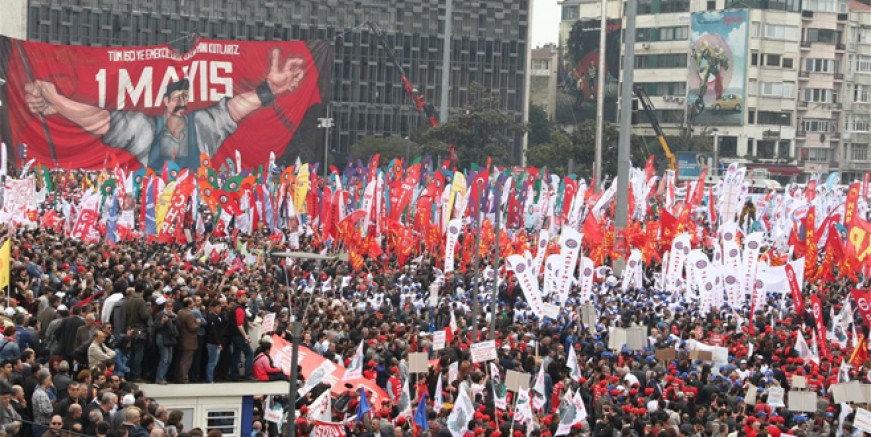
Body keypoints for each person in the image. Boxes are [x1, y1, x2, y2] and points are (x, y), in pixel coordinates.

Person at [23, 49, 307, 169]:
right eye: (176, 99)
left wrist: (269, 89)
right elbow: (100, 120)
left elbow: (233, 108)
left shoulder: (203, 126)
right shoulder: (145, 130)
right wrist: (59, 102)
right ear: (166, 103)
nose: (181, 105)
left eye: (186, 99)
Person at [229, 290, 254, 382]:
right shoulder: (239, 309)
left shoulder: (235, 307)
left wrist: (247, 324)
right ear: (238, 297)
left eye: (245, 296)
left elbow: (240, 322)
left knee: (236, 355)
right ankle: (248, 375)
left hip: (234, 335)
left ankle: (234, 375)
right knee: (250, 354)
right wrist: (245, 336)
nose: (245, 298)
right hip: (239, 336)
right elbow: (239, 324)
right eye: (243, 296)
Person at [174, 298, 200, 384]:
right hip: (189, 340)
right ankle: (184, 378)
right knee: (186, 360)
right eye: (192, 303)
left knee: (181, 359)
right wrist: (197, 323)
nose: (193, 304)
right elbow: (192, 327)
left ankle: (178, 376)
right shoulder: (189, 314)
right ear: (189, 304)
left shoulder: (180, 312)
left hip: (181, 338)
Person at [204, 300, 226, 384]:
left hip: (216, 342)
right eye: (217, 307)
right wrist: (218, 343)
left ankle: (211, 377)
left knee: (214, 362)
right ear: (212, 308)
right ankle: (209, 379)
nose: (219, 309)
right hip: (213, 342)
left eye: (220, 307)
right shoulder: (211, 317)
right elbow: (213, 332)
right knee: (212, 362)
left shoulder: (218, 316)